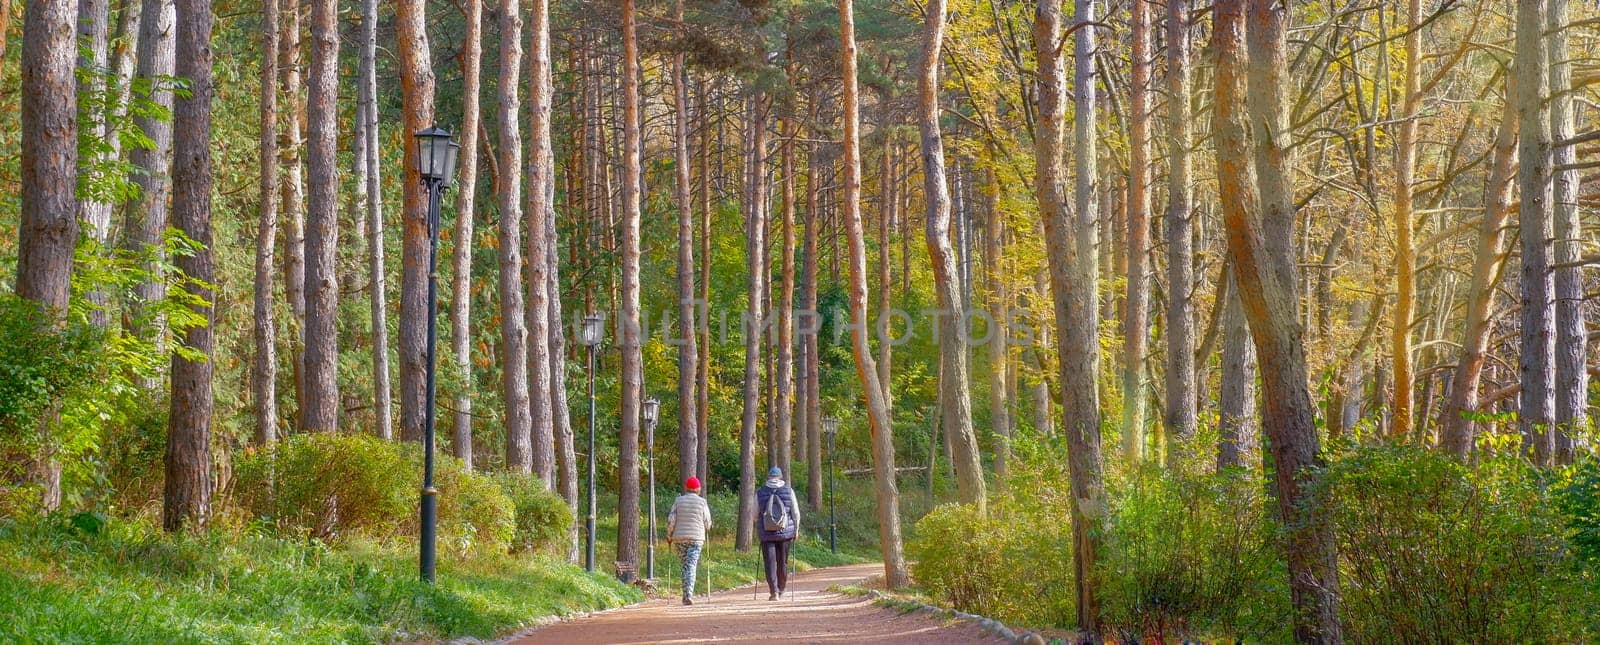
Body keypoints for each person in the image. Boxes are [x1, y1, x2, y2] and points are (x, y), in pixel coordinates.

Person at [755, 466, 800, 601]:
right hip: (785, 533)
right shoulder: (788, 490)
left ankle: (773, 591)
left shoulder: (760, 492)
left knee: (770, 562)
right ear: (780, 477)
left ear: (769, 477)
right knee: (783, 562)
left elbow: (754, 514)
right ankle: (781, 588)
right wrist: (796, 529)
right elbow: (795, 512)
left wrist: (761, 524)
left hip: (767, 533)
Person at [666, 476, 712, 605]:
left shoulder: (678, 501)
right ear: (698, 489)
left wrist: (669, 535)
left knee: (685, 565)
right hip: (696, 538)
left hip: (679, 538)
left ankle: (686, 593)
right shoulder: (702, 502)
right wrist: (708, 528)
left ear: (687, 488)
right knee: (690, 565)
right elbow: (707, 522)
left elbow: (671, 520)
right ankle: (688, 595)